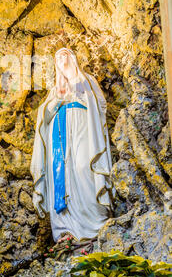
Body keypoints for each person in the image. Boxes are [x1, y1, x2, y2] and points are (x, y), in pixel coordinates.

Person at [30, 47, 115, 244]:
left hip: (83, 134)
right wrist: (58, 98)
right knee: (62, 176)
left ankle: (94, 225)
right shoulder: (54, 91)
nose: (61, 59)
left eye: (65, 55)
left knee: (83, 168)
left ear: (73, 59)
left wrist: (76, 86)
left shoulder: (87, 81)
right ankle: (65, 231)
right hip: (58, 142)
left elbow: (100, 106)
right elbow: (44, 118)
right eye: (57, 58)